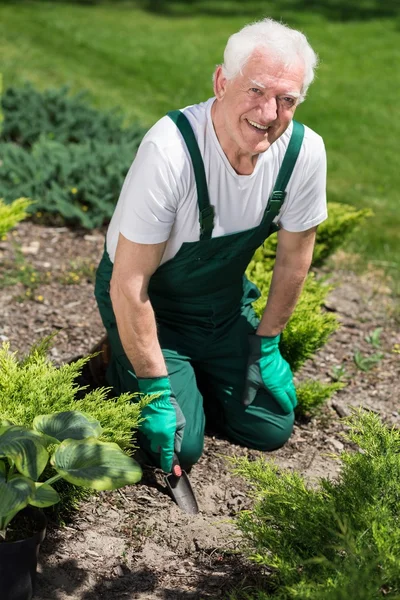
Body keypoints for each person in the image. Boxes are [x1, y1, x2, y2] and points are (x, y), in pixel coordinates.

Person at [94, 18, 327, 474]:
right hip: (146, 304)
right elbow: (129, 282)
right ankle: (115, 361)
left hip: (220, 307)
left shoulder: (303, 153)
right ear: (222, 81)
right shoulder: (171, 152)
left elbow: (294, 261)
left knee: (269, 427)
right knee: (181, 448)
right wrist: (156, 388)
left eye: (286, 99)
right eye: (256, 90)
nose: (268, 112)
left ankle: (194, 382)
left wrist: (268, 344)